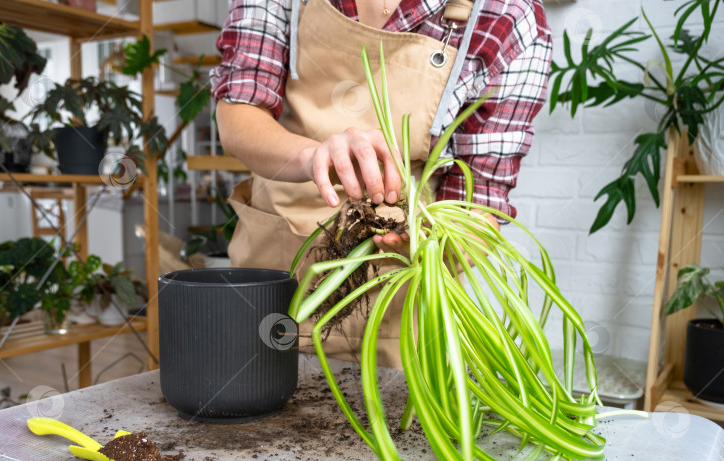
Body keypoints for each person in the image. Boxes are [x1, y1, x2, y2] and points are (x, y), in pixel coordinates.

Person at [211, 0, 552, 367]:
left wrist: (432, 244)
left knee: (381, 416)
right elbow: (239, 114)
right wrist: (313, 158)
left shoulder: (509, 17)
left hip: (396, 309)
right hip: (269, 282)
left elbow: (480, 203)